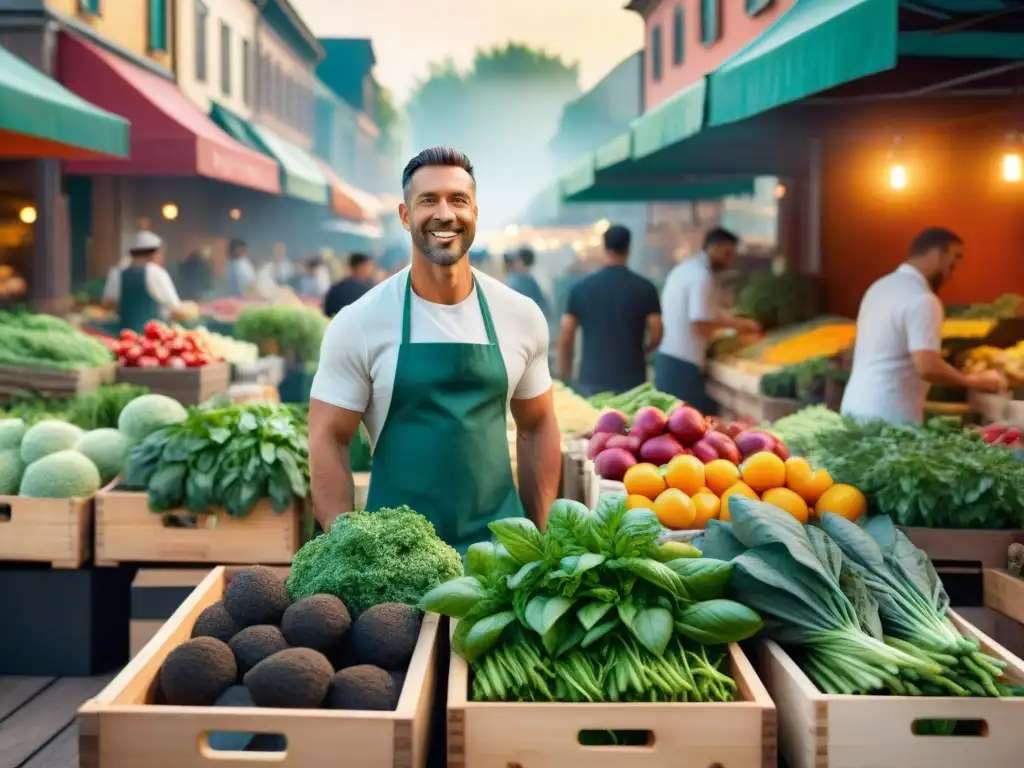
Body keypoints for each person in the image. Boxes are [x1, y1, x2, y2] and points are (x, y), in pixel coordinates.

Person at [308, 146, 560, 550]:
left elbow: (538, 425)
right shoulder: (359, 322)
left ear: (475, 212)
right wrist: (350, 551)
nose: (445, 213)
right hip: (396, 562)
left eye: (458, 199)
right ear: (406, 216)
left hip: (501, 556)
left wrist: (541, 536)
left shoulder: (520, 315)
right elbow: (327, 438)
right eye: (428, 200)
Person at [841, 227, 1005, 424]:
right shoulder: (923, 299)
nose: (953, 270)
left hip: (854, 407)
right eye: (954, 260)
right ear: (937, 254)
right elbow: (928, 367)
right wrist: (974, 381)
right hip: (890, 418)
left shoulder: (879, 287)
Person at [655, 227, 761, 414]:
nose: (730, 260)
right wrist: (738, 326)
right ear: (715, 247)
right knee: (690, 425)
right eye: (727, 253)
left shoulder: (686, 269)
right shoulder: (701, 277)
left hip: (669, 360)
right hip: (682, 367)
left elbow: (706, 314)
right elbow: (701, 325)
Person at [557, 224, 662, 396]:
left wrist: (564, 375)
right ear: (629, 249)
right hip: (632, 380)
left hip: (591, 379)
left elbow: (566, 335)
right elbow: (657, 331)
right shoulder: (645, 288)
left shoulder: (581, 288)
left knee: (594, 422)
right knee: (630, 422)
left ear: (604, 248)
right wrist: (643, 351)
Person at [101, 230, 191, 332]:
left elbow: (108, 304)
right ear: (153, 253)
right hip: (151, 339)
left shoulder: (117, 273)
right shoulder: (156, 273)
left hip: (124, 336)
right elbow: (175, 309)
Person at [323, 253, 375, 318]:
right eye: (370, 266)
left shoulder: (336, 288)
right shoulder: (365, 290)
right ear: (360, 267)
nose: (372, 269)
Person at [505, 247, 550, 319]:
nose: (514, 263)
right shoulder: (530, 278)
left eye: (517, 260)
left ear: (523, 262)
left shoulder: (521, 281)